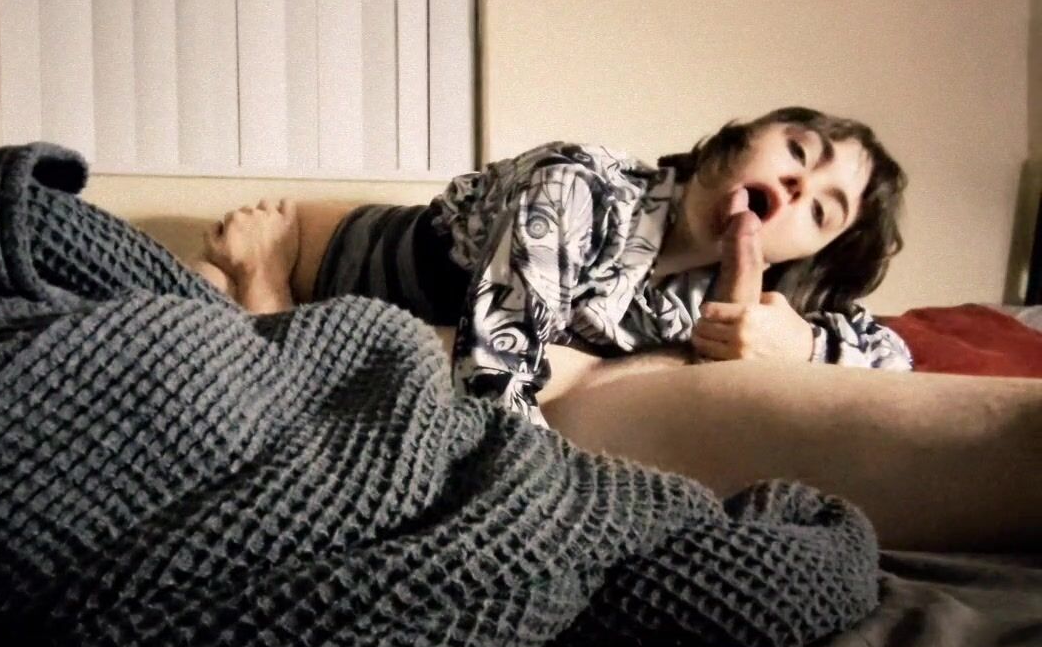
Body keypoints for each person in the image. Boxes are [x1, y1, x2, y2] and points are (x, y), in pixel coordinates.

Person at [195, 106, 913, 427]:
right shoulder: (578, 188)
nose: (796, 187)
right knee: (202, 333)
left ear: (808, 254)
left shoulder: (730, 296)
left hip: (411, 338)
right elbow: (493, 383)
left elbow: (898, 365)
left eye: (822, 211)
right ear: (745, 137)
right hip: (307, 257)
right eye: (798, 151)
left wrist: (801, 347)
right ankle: (262, 296)